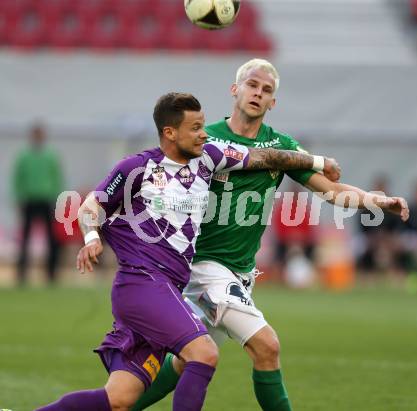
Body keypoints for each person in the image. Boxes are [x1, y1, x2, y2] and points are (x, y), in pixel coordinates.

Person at [35, 92, 340, 411]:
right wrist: (91, 238)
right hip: (143, 284)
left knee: (120, 400)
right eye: (194, 128)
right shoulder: (137, 168)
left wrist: (318, 162)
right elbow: (89, 207)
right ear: (170, 133)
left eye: (203, 126)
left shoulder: (209, 157)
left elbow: (268, 158)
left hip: (167, 289)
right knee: (204, 353)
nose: (204, 133)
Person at [133, 60, 410, 411]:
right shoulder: (206, 138)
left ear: (272, 103)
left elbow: (333, 191)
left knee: (186, 361)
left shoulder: (281, 146)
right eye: (251, 85)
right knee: (267, 347)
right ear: (235, 90)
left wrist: (378, 201)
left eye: (266, 91)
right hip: (203, 267)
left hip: (240, 272)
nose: (258, 93)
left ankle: (117, 406)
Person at [12, 122, 64, 285]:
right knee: (25, 239)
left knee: (52, 239)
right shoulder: (24, 157)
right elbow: (17, 178)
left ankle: (51, 274)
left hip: (47, 199)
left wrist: (58, 199)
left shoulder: (51, 156)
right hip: (29, 199)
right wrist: (19, 197)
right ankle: (22, 274)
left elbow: (57, 178)